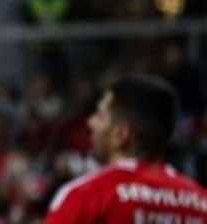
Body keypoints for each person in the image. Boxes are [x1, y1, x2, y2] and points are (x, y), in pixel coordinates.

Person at [45, 74, 207, 223]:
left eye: (100, 115)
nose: (91, 122)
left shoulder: (88, 196)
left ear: (121, 135)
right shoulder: (200, 201)